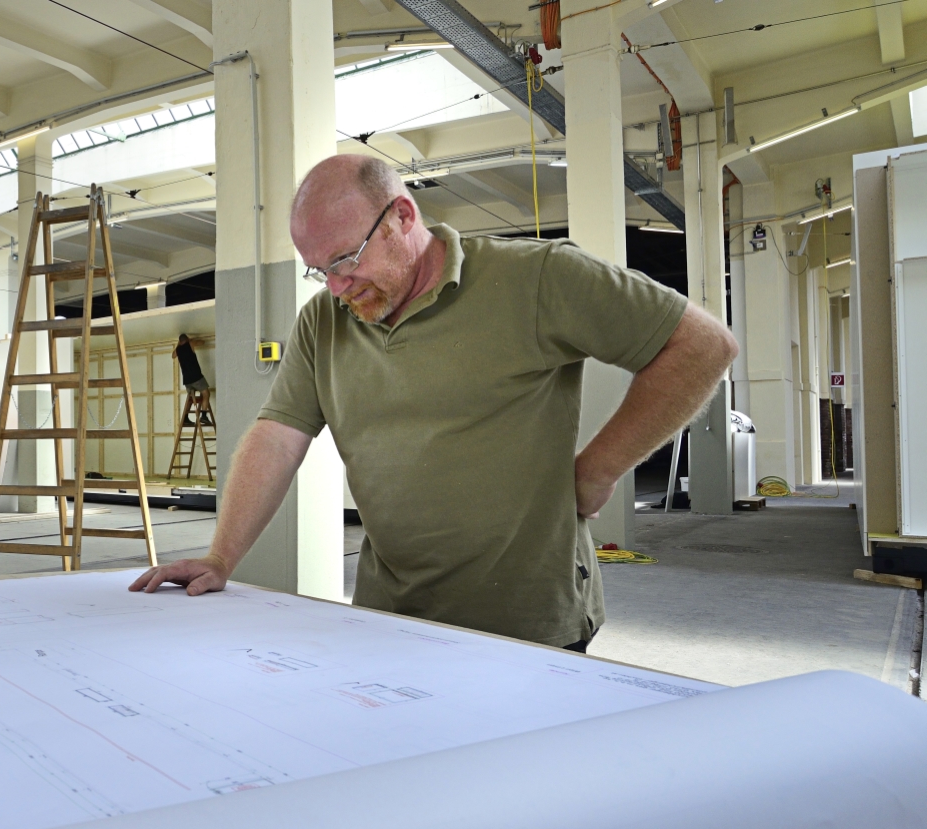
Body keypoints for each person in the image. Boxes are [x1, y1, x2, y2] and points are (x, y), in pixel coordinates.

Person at [130, 154, 739, 654]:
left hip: (529, 627)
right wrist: (221, 556)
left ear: (401, 216)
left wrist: (600, 467)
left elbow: (703, 346)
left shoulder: (536, 278)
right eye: (320, 271)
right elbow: (276, 437)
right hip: (389, 623)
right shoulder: (325, 321)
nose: (338, 287)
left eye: (346, 260)